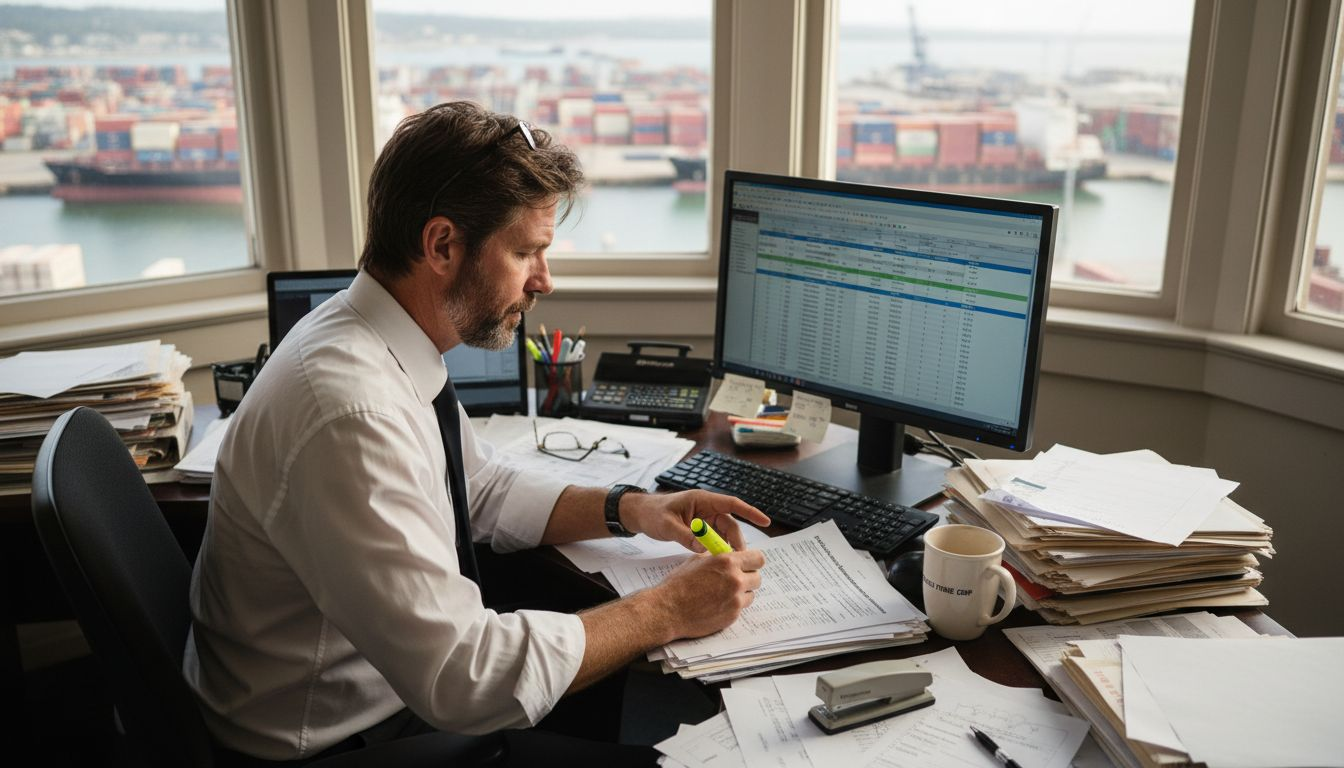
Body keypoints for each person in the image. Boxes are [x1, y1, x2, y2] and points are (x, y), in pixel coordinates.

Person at [183, 101, 769, 766]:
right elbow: (463, 679)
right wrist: (667, 610)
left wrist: (632, 508)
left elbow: (477, 488)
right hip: (338, 742)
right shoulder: (352, 413)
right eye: (525, 252)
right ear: (441, 245)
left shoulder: (376, 340)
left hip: (379, 691)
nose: (544, 280)